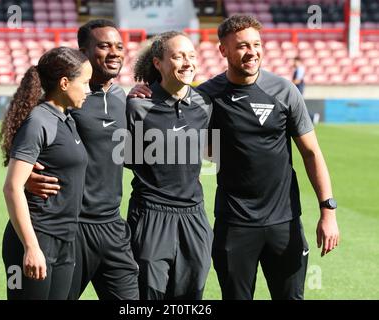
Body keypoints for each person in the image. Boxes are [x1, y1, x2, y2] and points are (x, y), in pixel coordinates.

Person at [129, 15, 340, 300]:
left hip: (284, 221)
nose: (251, 52)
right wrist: (143, 92)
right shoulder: (205, 97)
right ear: (223, 51)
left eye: (256, 44)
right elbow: (171, 105)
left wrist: (328, 210)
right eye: (242, 46)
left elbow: (312, 153)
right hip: (234, 224)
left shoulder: (284, 91)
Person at [25, 19, 139, 300]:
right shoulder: (66, 98)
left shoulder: (123, 98)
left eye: (119, 46)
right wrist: (25, 177)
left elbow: (129, 154)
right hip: (70, 228)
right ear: (83, 52)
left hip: (113, 226)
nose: (114, 52)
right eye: (104, 46)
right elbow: (24, 140)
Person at [0, 47, 91, 299]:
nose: (88, 89)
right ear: (64, 83)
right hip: (36, 238)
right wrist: (31, 247)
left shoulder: (68, 119)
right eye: (84, 83)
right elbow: (12, 187)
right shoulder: (39, 121)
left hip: (65, 239)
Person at [125, 31, 213, 300]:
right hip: (151, 215)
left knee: (191, 298)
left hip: (194, 217)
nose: (187, 62)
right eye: (177, 56)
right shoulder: (136, 107)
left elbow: (213, 155)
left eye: (191, 56)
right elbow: (122, 159)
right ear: (157, 63)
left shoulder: (206, 105)